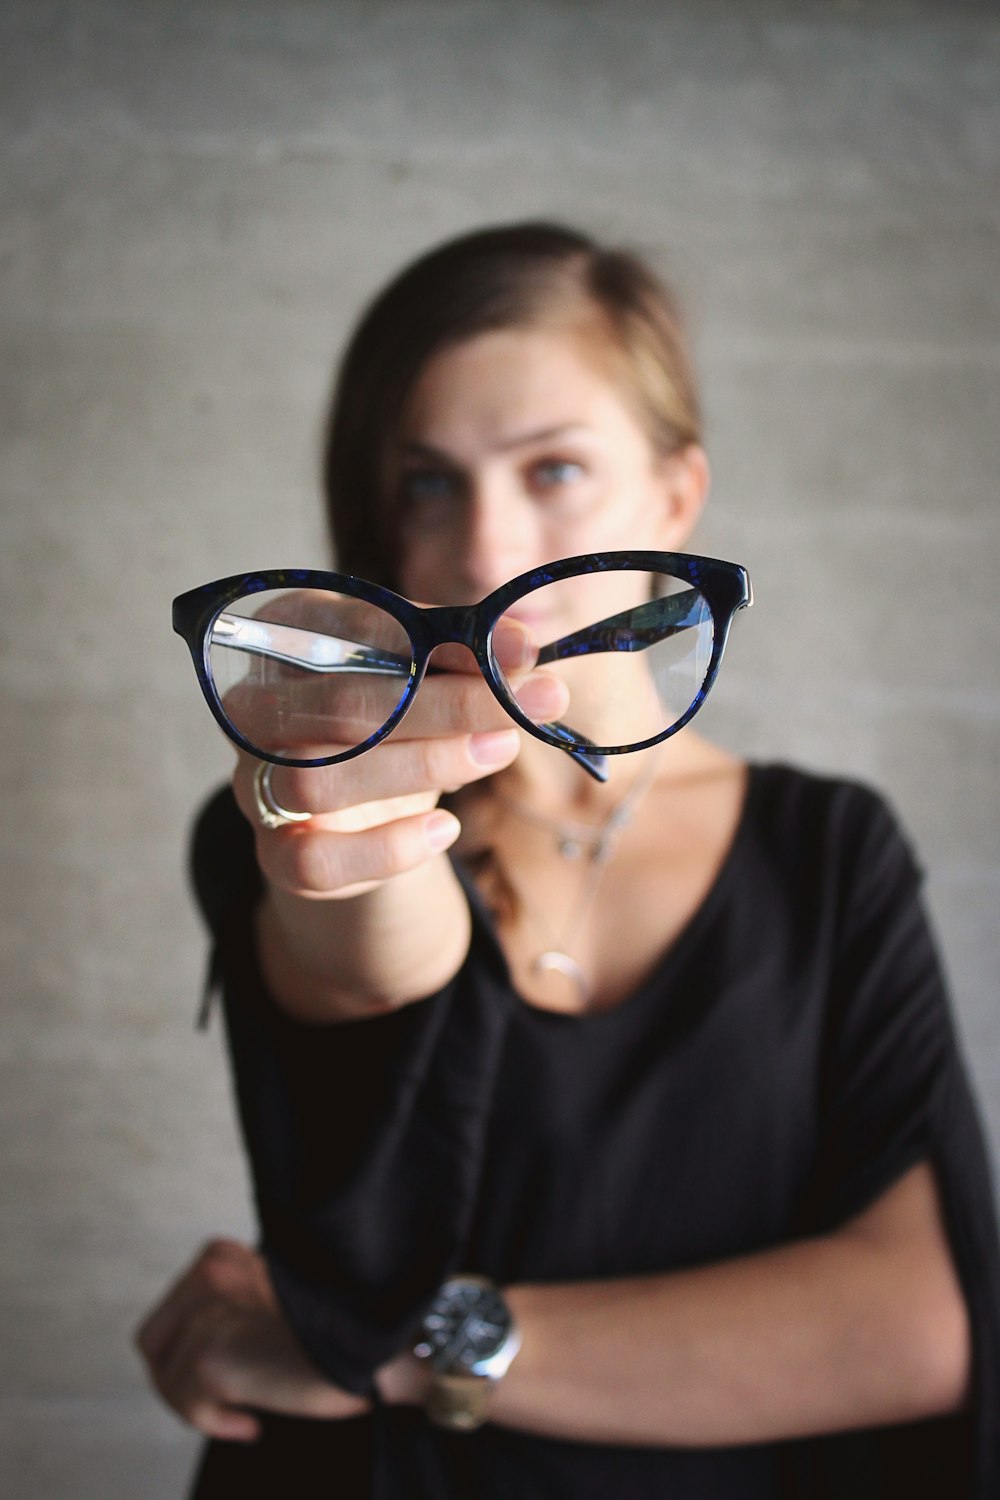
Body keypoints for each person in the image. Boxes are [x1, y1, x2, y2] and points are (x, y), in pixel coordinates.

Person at [137, 222, 1000, 1498]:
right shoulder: (302, 819)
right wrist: (329, 819)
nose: (489, 550)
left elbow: (914, 1331)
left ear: (672, 498)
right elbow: (374, 961)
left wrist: (390, 1352)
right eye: (428, 483)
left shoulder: (828, 852)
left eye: (553, 471)